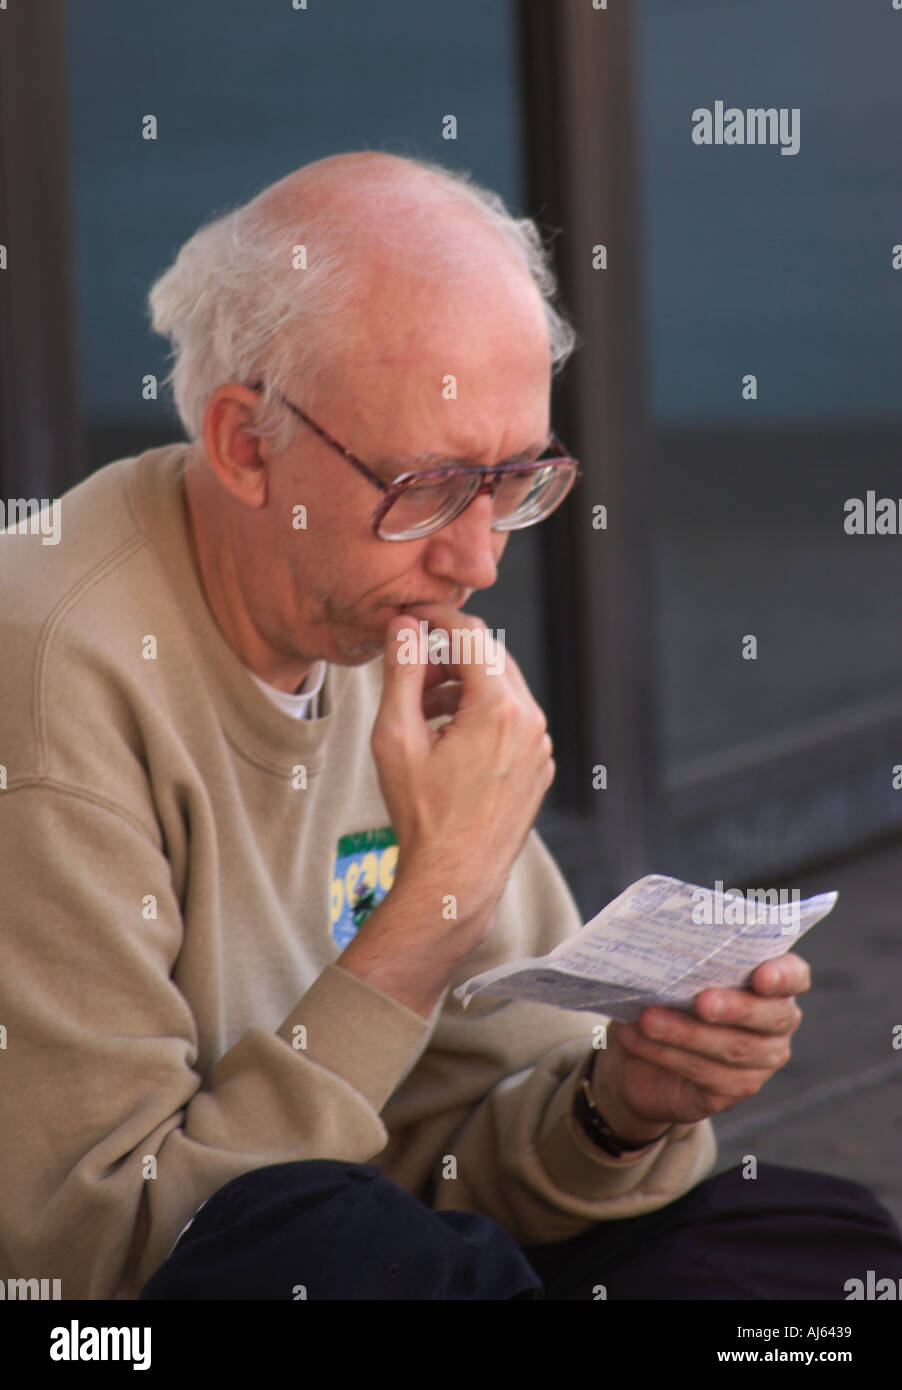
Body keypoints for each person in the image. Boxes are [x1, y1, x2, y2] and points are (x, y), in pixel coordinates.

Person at [1, 152, 900, 1302]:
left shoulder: (381, 625)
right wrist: (436, 903)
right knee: (328, 1251)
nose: (475, 560)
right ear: (243, 442)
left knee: (815, 1240)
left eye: (514, 480)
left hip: (384, 1241)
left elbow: (470, 1138)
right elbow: (95, 1257)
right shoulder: (43, 675)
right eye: (425, 488)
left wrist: (619, 1108)